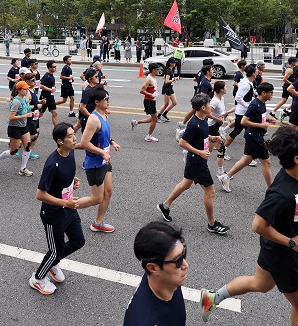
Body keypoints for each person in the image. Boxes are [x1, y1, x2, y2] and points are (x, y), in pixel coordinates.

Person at [200, 126, 298, 325]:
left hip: (273, 246)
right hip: (284, 253)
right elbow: (257, 225)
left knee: (261, 284)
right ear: (297, 159)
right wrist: (291, 242)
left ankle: (212, 298)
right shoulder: (281, 192)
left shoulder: (296, 177)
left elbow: (293, 204)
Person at [29, 123, 94, 294]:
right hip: (53, 214)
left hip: (69, 209)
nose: (75, 138)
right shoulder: (52, 164)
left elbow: (65, 177)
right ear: (60, 141)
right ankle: (37, 278)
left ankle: (53, 262)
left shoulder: (70, 151)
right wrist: (65, 202)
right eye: (70, 136)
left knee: (78, 241)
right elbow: (40, 194)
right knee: (55, 250)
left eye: (74, 134)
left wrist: (72, 182)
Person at [157, 93, 230, 235]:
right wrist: (199, 152)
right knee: (210, 191)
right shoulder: (193, 124)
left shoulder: (203, 119)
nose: (211, 106)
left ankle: (164, 206)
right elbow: (182, 142)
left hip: (195, 159)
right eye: (209, 104)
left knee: (186, 184)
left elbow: (201, 135)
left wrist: (211, 137)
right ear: (203, 107)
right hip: (197, 161)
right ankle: (212, 223)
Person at [123, 222, 188, 326]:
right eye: (178, 260)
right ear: (153, 268)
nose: (185, 265)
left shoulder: (166, 280)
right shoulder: (144, 320)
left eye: (184, 254)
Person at [76, 86, 120, 233]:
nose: (108, 101)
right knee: (96, 198)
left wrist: (112, 142)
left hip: (104, 161)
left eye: (108, 98)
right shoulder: (93, 119)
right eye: (106, 99)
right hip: (95, 163)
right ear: (96, 101)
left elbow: (103, 135)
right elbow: (84, 143)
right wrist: (102, 152)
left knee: (108, 192)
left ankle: (98, 223)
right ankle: (64, 205)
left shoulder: (104, 115)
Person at [219, 83, 278, 193]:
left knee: (247, 159)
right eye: (271, 93)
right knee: (267, 162)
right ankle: (272, 190)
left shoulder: (262, 103)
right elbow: (243, 121)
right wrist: (262, 125)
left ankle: (225, 177)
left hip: (255, 135)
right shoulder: (255, 104)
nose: (272, 95)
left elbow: (258, 118)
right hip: (254, 136)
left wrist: (268, 120)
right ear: (263, 93)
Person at [0, 81, 36, 177]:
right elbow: (11, 117)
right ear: (19, 90)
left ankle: (23, 169)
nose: (27, 90)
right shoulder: (16, 102)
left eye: (27, 88)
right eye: (25, 89)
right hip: (14, 128)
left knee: (27, 147)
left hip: (24, 126)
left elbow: (27, 109)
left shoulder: (24, 99)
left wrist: (35, 110)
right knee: (13, 151)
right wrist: (26, 115)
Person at [132, 63, 161, 142]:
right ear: (153, 70)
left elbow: (151, 89)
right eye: (157, 69)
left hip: (151, 100)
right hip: (149, 100)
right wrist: (152, 94)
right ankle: (148, 136)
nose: (159, 70)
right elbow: (141, 90)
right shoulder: (149, 79)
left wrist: (154, 93)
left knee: (154, 118)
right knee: (155, 119)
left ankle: (136, 122)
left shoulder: (153, 77)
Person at [271, 57, 297, 122]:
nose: (296, 63)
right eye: (295, 62)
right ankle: (287, 110)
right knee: (297, 99)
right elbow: (284, 79)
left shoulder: (290, 69)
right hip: (288, 88)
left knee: (283, 101)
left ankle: (273, 112)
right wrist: (292, 84)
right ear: (292, 62)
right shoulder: (290, 70)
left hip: (287, 87)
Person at [39, 60, 60, 126]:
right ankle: (28, 123)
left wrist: (53, 87)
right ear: (49, 68)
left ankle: (56, 129)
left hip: (51, 97)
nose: (55, 68)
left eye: (55, 66)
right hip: (44, 98)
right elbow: (41, 86)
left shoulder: (51, 75)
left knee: (54, 113)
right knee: (39, 114)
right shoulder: (47, 76)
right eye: (53, 67)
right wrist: (50, 89)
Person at [157, 58, 178, 123]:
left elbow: (164, 77)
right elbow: (166, 81)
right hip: (167, 88)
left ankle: (165, 114)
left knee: (174, 102)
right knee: (166, 104)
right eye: (174, 63)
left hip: (170, 88)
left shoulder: (170, 70)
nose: (175, 64)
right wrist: (174, 79)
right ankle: (158, 116)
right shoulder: (169, 71)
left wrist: (172, 79)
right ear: (170, 63)